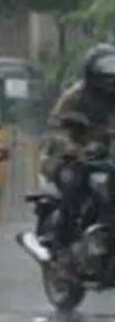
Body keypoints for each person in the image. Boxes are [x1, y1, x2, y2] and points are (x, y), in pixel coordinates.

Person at [39, 44, 115, 252]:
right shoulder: (75, 96)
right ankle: (60, 241)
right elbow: (56, 127)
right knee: (74, 186)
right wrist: (74, 148)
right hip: (71, 160)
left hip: (107, 160)